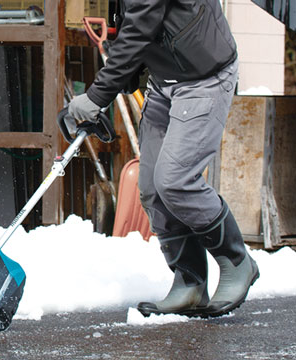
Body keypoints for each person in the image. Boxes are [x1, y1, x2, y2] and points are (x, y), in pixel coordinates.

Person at [65, 0, 259, 317]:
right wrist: (119, 80)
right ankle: (190, 281)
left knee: (177, 182)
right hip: (165, 81)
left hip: (203, 78)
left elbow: (141, 24)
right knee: (153, 190)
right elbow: (131, 23)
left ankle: (237, 261)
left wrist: (97, 95)